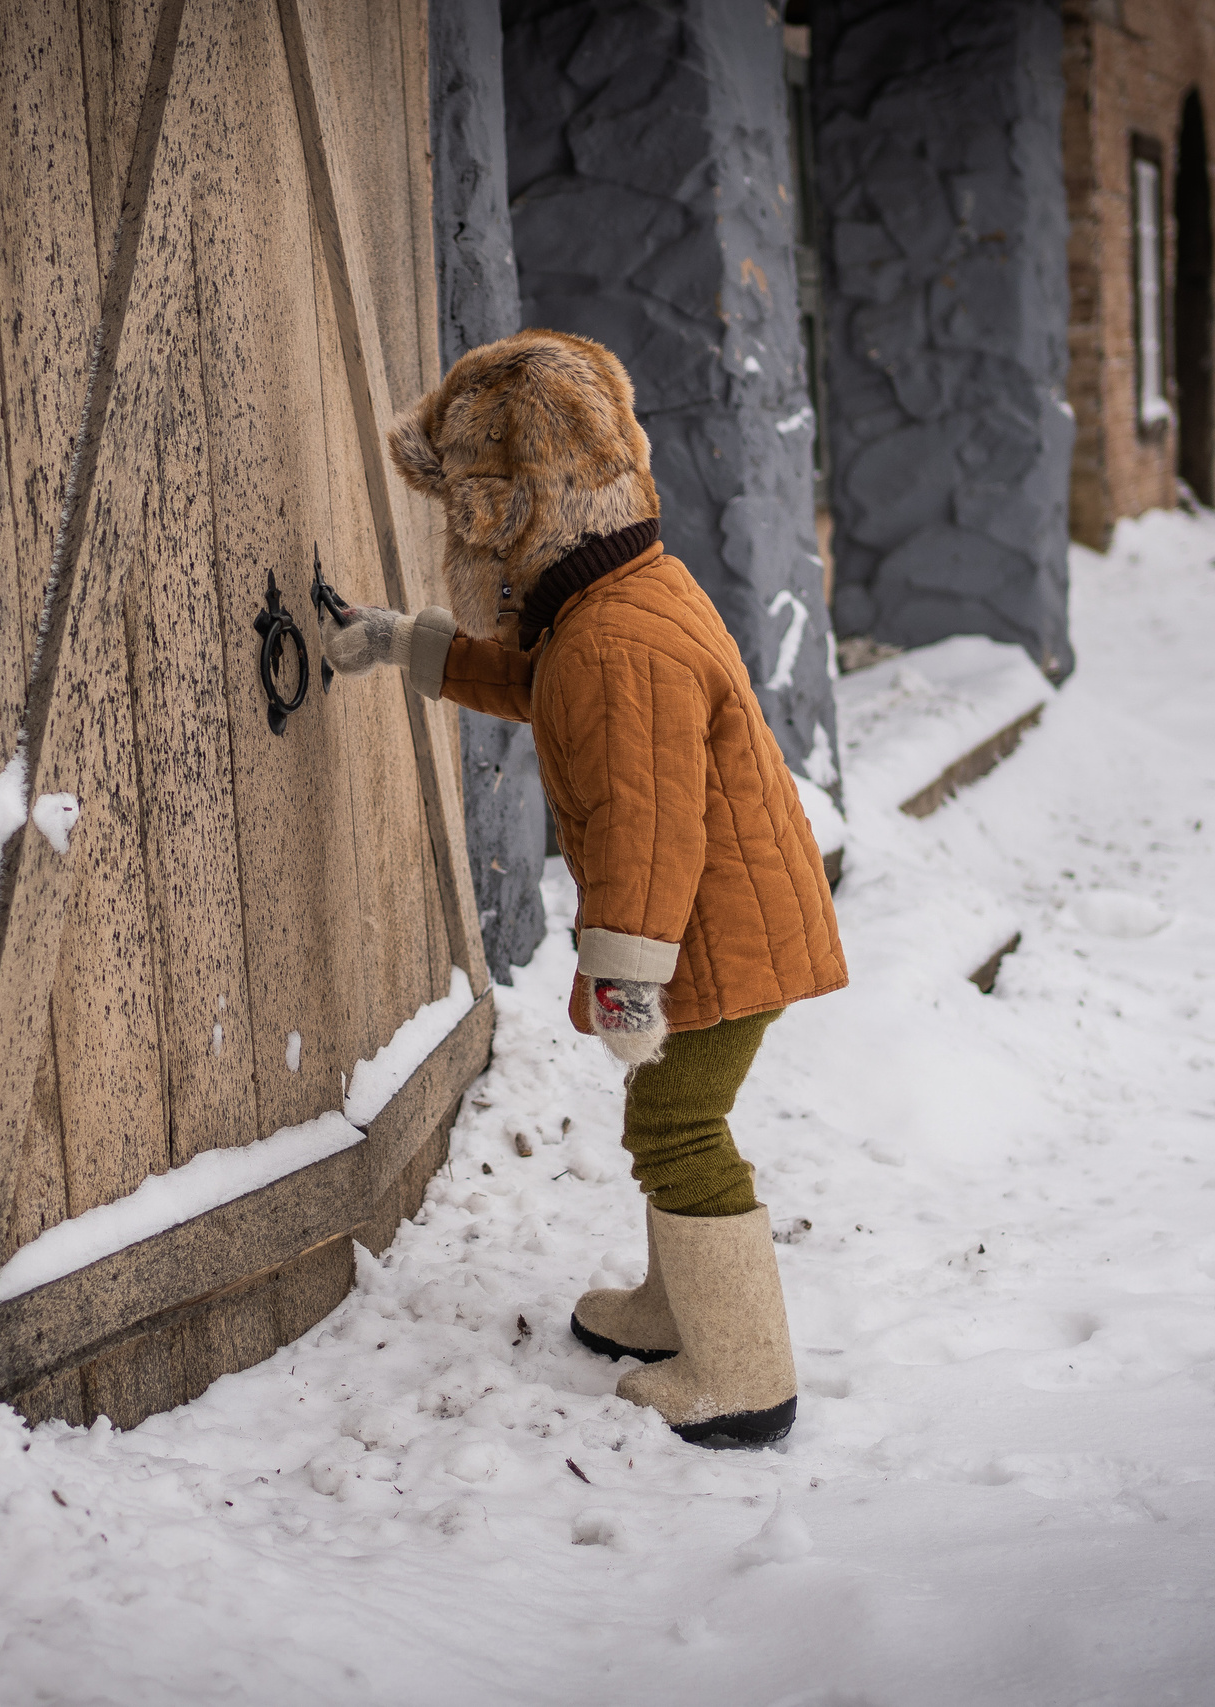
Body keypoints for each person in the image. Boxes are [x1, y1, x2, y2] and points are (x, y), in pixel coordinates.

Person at [324, 329, 846, 1449]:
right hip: (724, 918)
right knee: (667, 1116)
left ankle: (743, 1374)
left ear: (513, 515)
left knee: (679, 1127)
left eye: (466, 515)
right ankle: (676, 1306)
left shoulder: (614, 643)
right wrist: (405, 644)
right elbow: (538, 680)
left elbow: (646, 827)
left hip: (715, 932)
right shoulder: (617, 599)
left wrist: (624, 976)